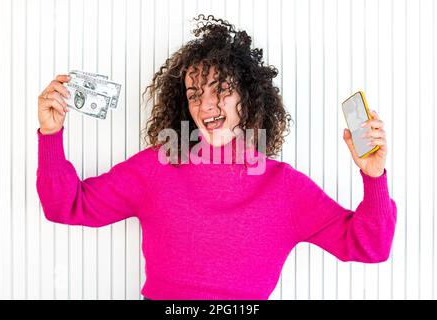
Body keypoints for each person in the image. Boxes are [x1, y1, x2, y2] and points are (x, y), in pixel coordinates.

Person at [36, 14, 396, 300]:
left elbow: (370, 246)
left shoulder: (283, 186)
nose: (206, 104)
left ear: (248, 96)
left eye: (220, 89)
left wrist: (374, 177)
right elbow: (66, 205)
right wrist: (51, 135)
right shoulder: (158, 166)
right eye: (194, 93)